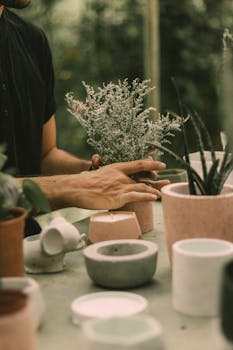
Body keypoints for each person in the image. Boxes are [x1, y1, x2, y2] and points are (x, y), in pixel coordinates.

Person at [0, 1, 169, 211]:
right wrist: (73, 186)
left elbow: (44, 156)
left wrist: (98, 173)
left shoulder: (32, 40)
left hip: (34, 240)